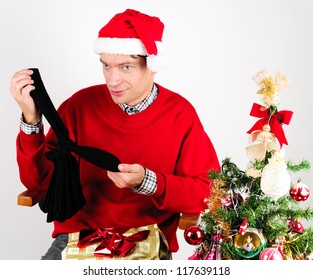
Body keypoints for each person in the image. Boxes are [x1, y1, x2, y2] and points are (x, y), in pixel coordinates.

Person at [10, 9, 220, 260]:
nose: (113, 79)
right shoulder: (79, 106)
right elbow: (38, 183)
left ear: (152, 66)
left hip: (147, 237)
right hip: (79, 236)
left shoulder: (179, 114)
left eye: (126, 67)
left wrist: (149, 182)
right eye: (106, 66)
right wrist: (31, 121)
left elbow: (207, 190)